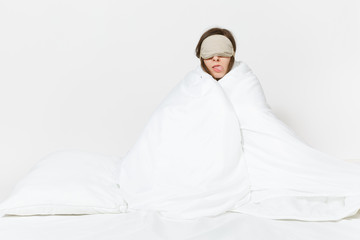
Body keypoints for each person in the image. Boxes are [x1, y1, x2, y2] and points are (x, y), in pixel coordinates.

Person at [117, 27, 360, 221]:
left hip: (255, 152)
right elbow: (169, 118)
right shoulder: (193, 83)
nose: (215, 60)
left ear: (232, 54)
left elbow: (257, 119)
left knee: (305, 175)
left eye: (221, 54)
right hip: (202, 155)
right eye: (208, 55)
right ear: (201, 58)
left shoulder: (245, 80)